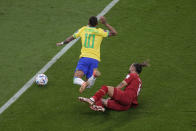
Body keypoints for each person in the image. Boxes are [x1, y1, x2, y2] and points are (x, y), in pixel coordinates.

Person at [56, 16, 117, 93]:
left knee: (76, 79)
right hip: (95, 59)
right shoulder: (100, 31)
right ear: (97, 24)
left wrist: (61, 43)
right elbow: (114, 32)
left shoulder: (83, 29)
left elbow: (70, 38)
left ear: (88, 22)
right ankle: (94, 76)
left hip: (85, 58)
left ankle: (85, 82)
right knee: (89, 85)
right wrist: (106, 23)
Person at [78, 61, 149, 112]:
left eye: (131, 66)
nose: (129, 67)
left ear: (133, 68)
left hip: (126, 98)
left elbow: (122, 84)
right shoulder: (139, 81)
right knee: (101, 99)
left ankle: (91, 100)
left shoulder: (133, 75)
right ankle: (99, 107)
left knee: (106, 88)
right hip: (126, 106)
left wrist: (113, 93)